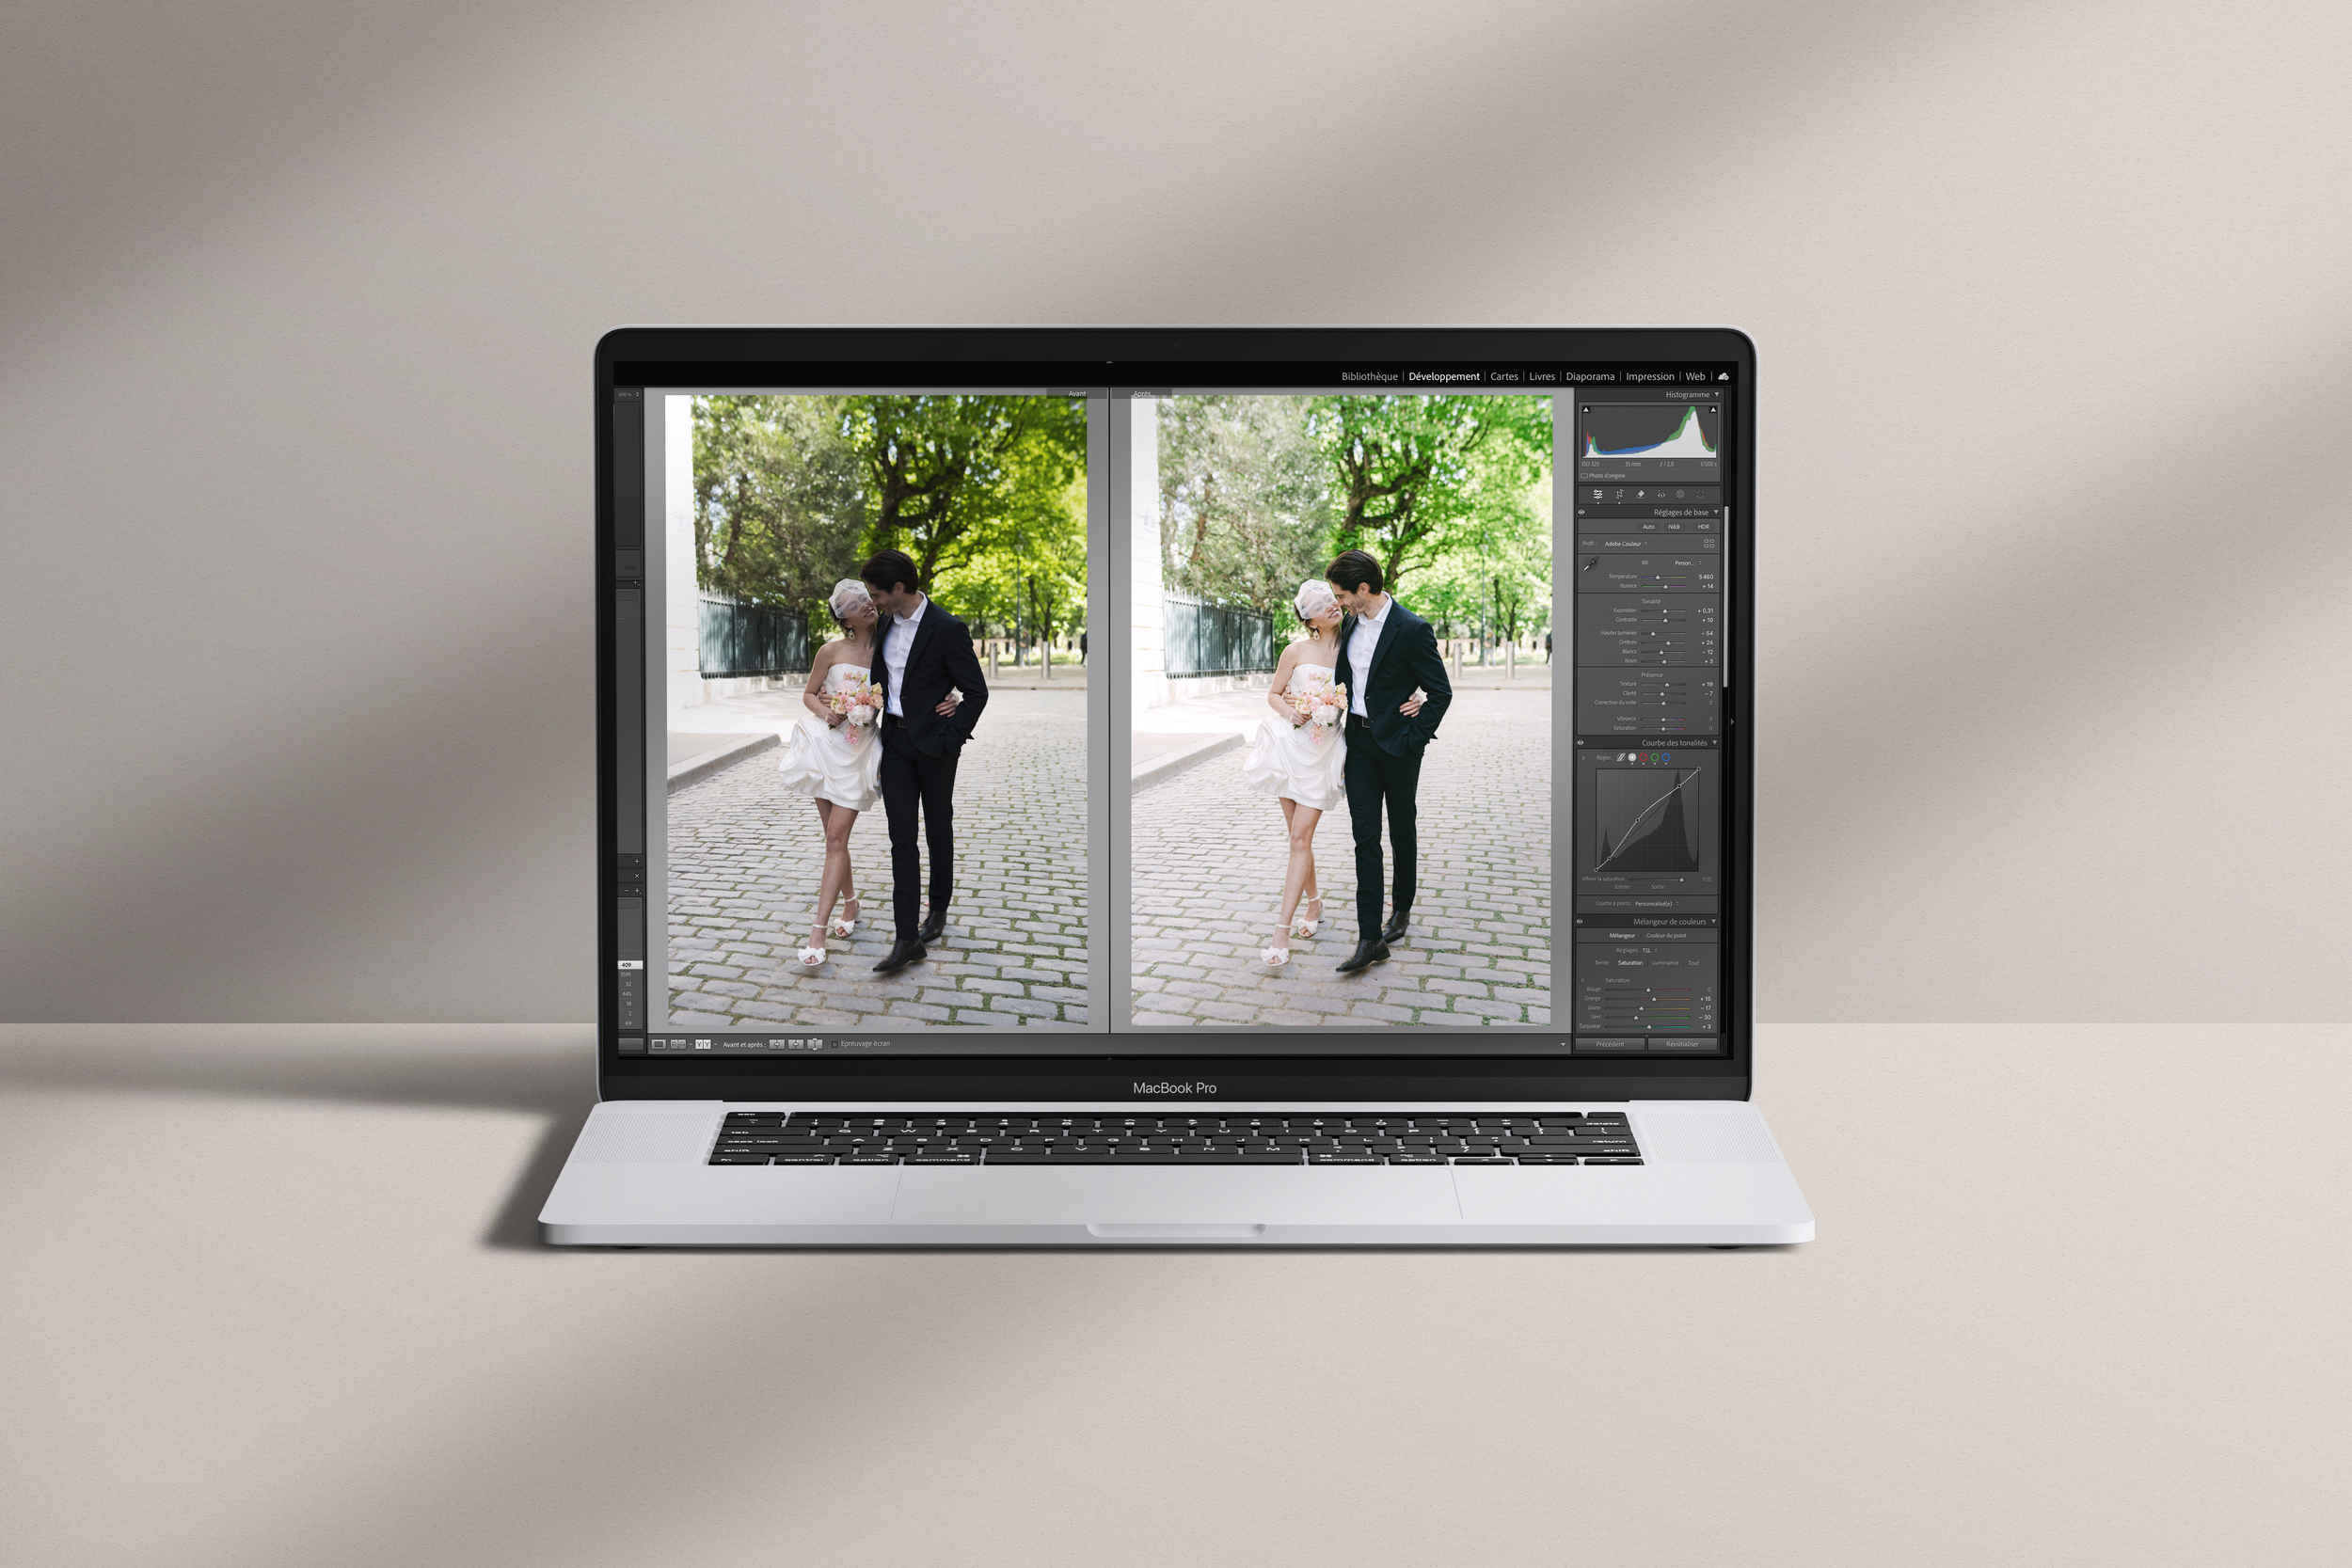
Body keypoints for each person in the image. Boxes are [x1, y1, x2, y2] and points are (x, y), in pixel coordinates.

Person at [774, 579, 961, 968]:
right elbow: (810, 693)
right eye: (855, 604)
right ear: (844, 618)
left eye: (866, 598)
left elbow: (924, 670)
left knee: (836, 838)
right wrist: (827, 710)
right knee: (833, 839)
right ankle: (852, 905)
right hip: (826, 746)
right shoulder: (830, 650)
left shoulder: (891, 638)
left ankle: (817, 933)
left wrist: (952, 694)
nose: (866, 605)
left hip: (862, 751)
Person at [1241, 578, 1423, 968]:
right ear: (1309, 619)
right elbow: (1274, 693)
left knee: (1299, 837)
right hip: (1290, 746)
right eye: (1321, 604)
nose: (1331, 606)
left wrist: (1418, 693)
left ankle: (1280, 932)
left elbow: (1390, 666)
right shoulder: (1294, 650)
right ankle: (1314, 905)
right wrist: (1291, 709)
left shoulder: (1355, 637)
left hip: (1326, 752)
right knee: (1297, 838)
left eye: (1332, 599)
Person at [861, 548, 990, 974]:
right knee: (902, 839)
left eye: (878, 594)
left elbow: (976, 692)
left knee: (938, 827)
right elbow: (883, 680)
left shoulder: (948, 628)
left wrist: (951, 738)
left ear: (899, 589)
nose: (874, 602)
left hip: (935, 748)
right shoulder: (884, 624)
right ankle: (906, 939)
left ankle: (937, 909)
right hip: (895, 743)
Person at [1326, 549, 1453, 974]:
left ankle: (1401, 909)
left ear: (1364, 589)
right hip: (1359, 744)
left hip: (1399, 748)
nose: (1338, 602)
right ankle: (1369, 939)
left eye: (1342, 595)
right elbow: (1348, 681)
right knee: (1366, 838)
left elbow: (1441, 691)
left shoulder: (1412, 628)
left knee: (1401, 828)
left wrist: (1414, 738)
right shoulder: (1349, 624)